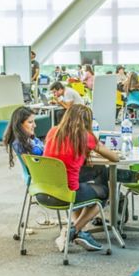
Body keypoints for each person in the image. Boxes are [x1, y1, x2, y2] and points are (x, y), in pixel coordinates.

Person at [44, 104, 120, 252]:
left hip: (47, 190)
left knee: (98, 170)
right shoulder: (86, 136)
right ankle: (74, 230)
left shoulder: (53, 131)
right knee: (104, 194)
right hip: (69, 192)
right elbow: (115, 158)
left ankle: (79, 230)